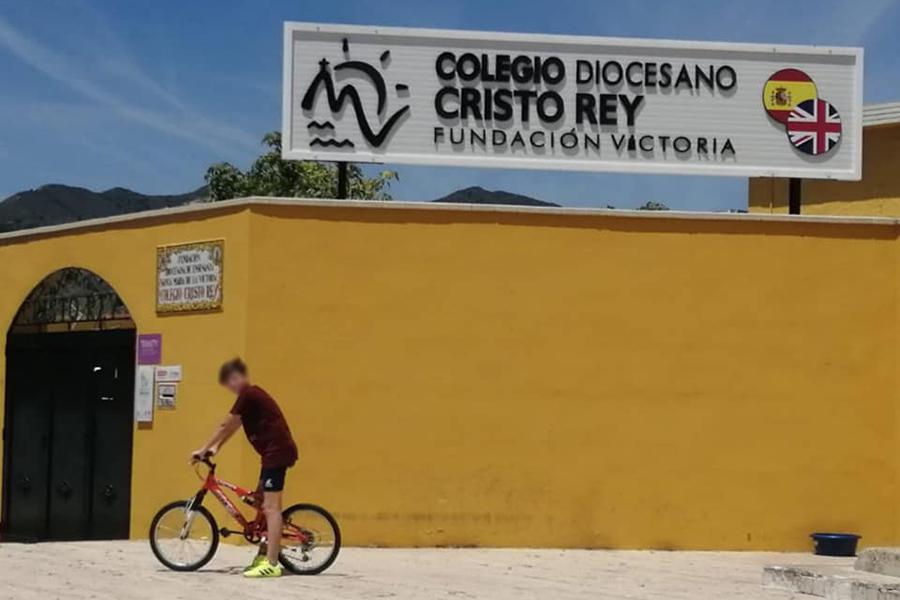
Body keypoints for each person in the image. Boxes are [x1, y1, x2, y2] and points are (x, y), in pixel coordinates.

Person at [191, 358, 298, 578]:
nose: (230, 387)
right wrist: (216, 448)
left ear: (238, 378)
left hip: (277, 454)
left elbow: (224, 424)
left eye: (231, 381)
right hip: (271, 455)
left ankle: (272, 563)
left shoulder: (249, 394)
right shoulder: (249, 400)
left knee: (271, 508)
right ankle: (263, 553)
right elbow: (233, 427)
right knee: (260, 502)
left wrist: (203, 449)